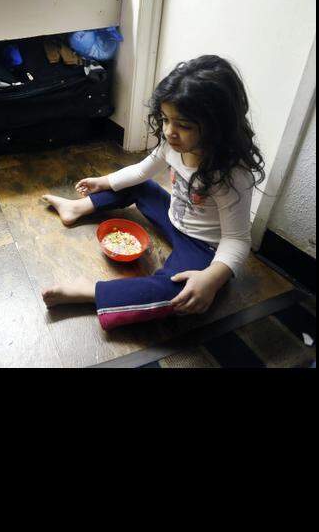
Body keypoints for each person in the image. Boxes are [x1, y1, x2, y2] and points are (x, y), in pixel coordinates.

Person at [40, 55, 265, 329]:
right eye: (166, 119)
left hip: (204, 246)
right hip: (174, 216)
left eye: (183, 125)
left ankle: (93, 291)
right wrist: (105, 181)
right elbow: (142, 170)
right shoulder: (173, 144)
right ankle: (78, 208)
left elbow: (237, 240)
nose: (170, 132)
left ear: (218, 125)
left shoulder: (231, 174)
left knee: (176, 293)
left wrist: (213, 278)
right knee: (136, 185)